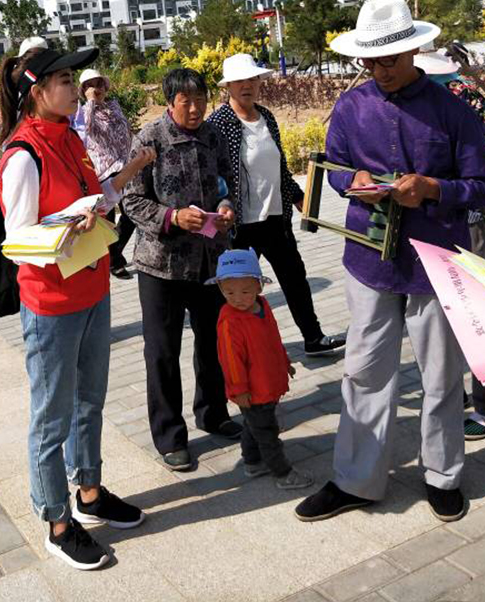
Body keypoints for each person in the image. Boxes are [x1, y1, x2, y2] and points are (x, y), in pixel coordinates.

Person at [295, 0, 485, 524]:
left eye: (388, 61)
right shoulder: (351, 106)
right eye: (370, 62)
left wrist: (431, 188)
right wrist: (352, 181)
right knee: (363, 371)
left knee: (441, 376)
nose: (378, 71)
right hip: (369, 258)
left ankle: (443, 475)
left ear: (413, 51)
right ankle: (356, 480)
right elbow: (335, 167)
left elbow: (480, 187)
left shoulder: (454, 110)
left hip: (436, 261)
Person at [0, 45, 154, 571]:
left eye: (71, 77)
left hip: (92, 289)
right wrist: (70, 219)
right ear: (37, 92)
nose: (73, 87)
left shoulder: (69, 136)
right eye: (64, 80)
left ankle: (89, 493)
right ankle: (57, 522)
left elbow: (97, 197)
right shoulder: (24, 154)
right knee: (52, 417)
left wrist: (128, 173)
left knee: (90, 402)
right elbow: (18, 238)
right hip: (51, 304)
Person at [122, 67, 241, 473]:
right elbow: (131, 201)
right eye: (185, 101)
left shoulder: (213, 134)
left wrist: (225, 208)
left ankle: (213, 413)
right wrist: (172, 217)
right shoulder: (149, 139)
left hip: (209, 260)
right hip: (162, 265)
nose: (194, 108)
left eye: (200, 99)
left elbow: (227, 182)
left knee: (212, 342)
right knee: (162, 351)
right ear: (169, 102)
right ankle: (170, 435)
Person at [208, 53, 346, 357]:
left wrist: (297, 196)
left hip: (275, 218)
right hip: (240, 225)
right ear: (228, 86)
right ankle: (234, 350)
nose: (247, 85)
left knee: (295, 278)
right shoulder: (218, 123)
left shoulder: (266, 117)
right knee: (239, 288)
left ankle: (313, 338)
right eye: (239, 81)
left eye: (252, 79)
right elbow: (214, 174)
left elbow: (280, 168)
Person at [415, 44, 485, 440]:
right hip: (427, 226)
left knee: (477, 317)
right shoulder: (411, 98)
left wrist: (452, 181)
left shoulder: (460, 95)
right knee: (443, 317)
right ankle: (453, 394)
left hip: (466, 221)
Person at [210, 248, 314, 489]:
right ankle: (282, 473)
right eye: (229, 292)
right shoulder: (229, 321)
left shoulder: (263, 306)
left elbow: (273, 339)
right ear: (220, 289)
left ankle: (253, 462)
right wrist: (239, 390)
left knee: (253, 425)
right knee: (267, 432)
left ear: (259, 286)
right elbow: (230, 360)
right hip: (252, 389)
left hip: (269, 380)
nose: (238, 298)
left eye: (245, 291)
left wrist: (285, 362)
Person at [72, 68, 137, 279]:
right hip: (103, 173)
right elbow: (85, 128)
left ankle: (114, 254)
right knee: (106, 221)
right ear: (83, 90)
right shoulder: (83, 112)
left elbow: (126, 131)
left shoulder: (113, 107)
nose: (96, 88)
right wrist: (91, 101)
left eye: (99, 84)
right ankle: (114, 262)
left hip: (124, 167)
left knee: (131, 214)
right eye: (90, 85)